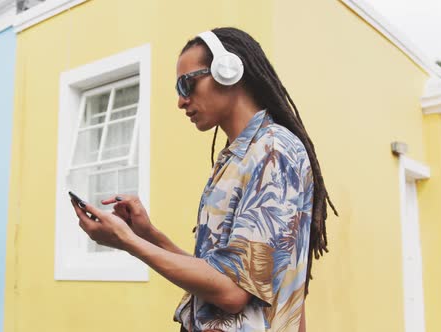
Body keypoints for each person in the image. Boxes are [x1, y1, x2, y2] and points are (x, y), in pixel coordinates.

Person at [70, 27, 337, 332]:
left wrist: (128, 242)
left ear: (229, 71)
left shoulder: (273, 150)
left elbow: (233, 293)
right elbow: (218, 276)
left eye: (187, 84)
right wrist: (147, 234)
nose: (181, 101)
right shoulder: (237, 157)